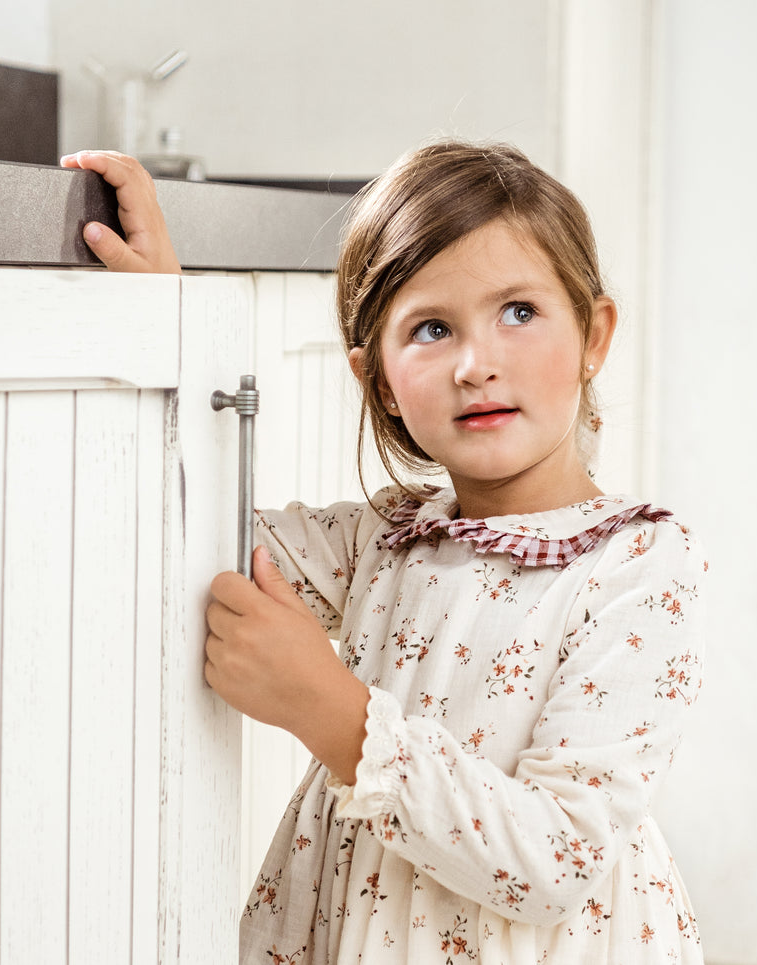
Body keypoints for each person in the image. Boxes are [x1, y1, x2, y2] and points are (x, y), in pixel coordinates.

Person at [62, 142, 707, 964]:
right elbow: (201, 534)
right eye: (432, 329)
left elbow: (556, 862)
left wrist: (328, 710)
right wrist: (174, 333)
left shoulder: (636, 566)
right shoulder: (389, 537)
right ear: (381, 385)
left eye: (518, 311)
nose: (477, 364)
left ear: (593, 334)